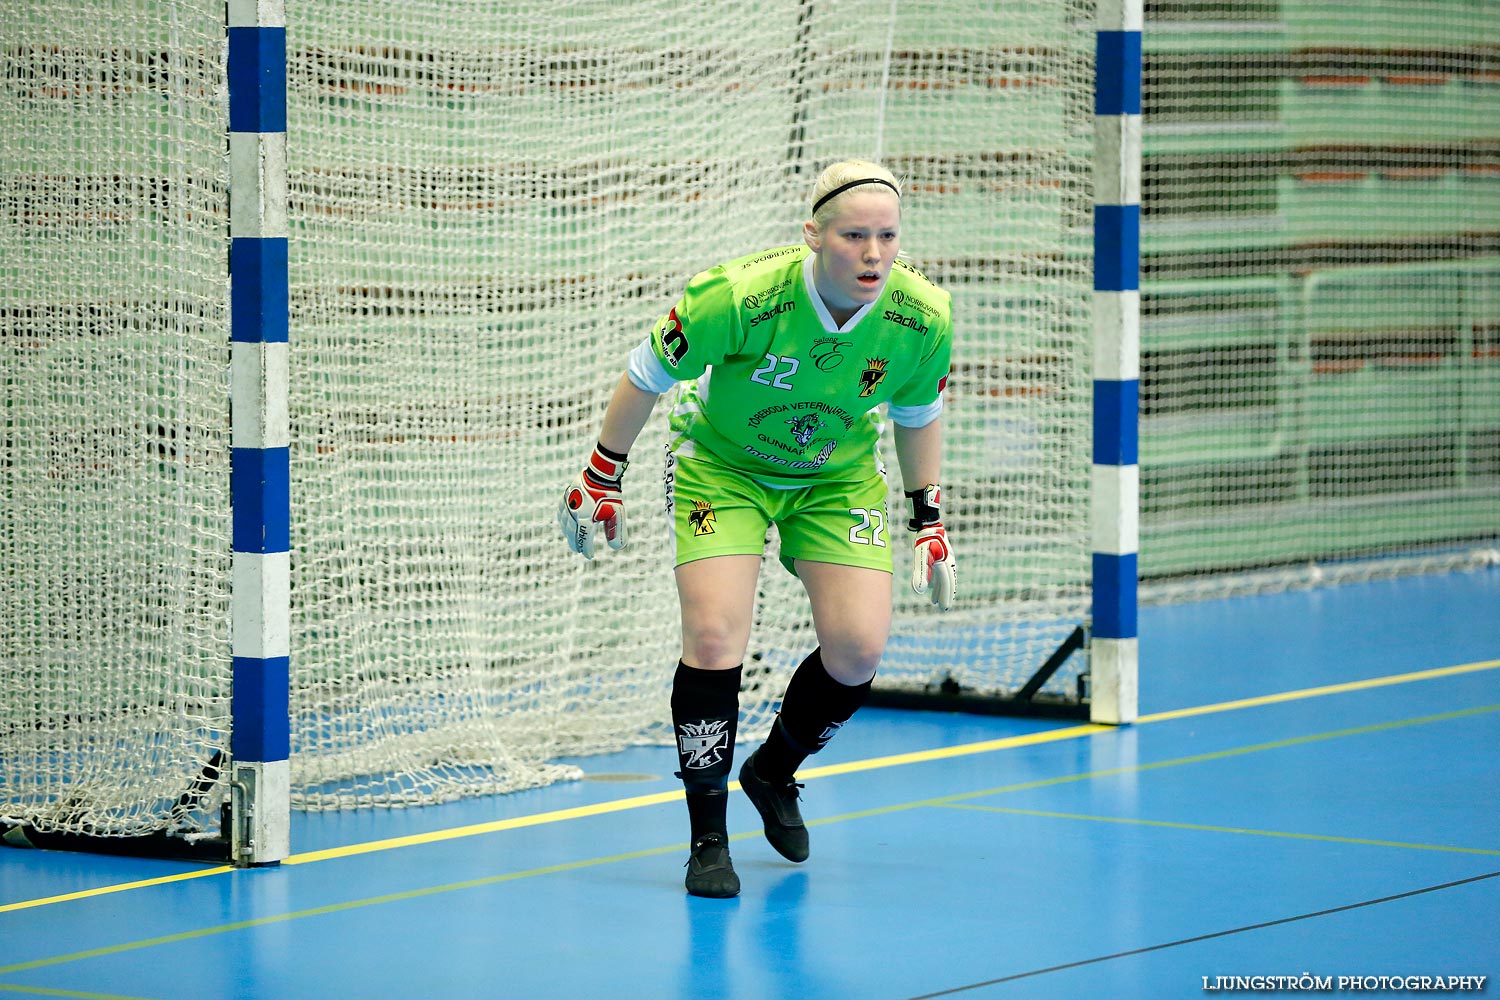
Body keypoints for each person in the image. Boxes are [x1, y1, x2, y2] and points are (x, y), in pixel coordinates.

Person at [558, 158, 956, 898]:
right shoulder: (737, 294)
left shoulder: (922, 316)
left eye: (887, 236)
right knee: (714, 638)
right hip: (722, 465)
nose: (873, 254)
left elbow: (917, 415)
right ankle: (707, 839)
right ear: (813, 234)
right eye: (853, 236)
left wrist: (927, 516)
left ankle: (773, 771)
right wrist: (601, 471)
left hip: (834, 477)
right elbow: (646, 372)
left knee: (857, 651)